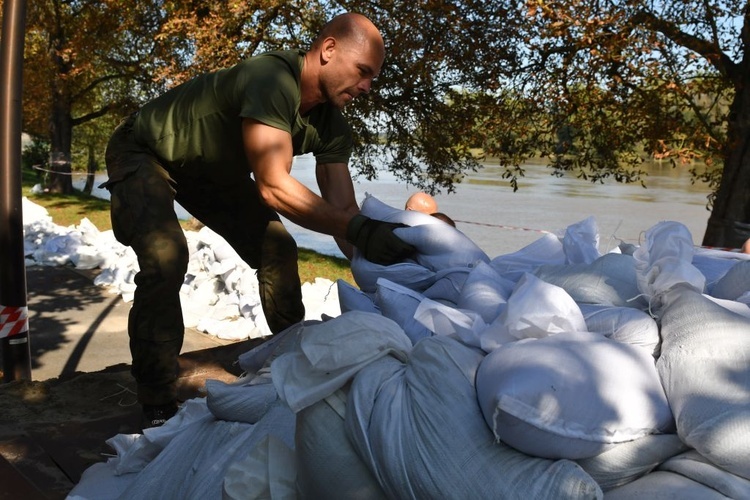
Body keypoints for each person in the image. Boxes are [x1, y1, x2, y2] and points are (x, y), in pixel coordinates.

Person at [102, 13, 414, 429]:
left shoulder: (332, 126)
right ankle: (156, 395)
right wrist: (359, 229)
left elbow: (345, 215)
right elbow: (272, 185)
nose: (366, 87)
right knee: (165, 256)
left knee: (277, 248)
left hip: (209, 173)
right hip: (146, 151)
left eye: (372, 78)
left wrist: (388, 270)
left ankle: (294, 365)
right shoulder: (271, 78)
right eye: (362, 72)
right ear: (328, 50)